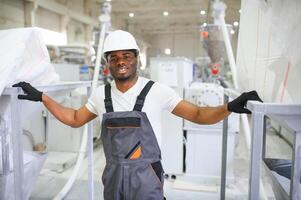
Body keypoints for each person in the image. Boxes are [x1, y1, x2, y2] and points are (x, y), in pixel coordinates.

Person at [13, 30, 262, 200]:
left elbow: (197, 113)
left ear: (137, 60)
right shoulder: (101, 95)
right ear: (107, 64)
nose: (120, 62)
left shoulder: (157, 90)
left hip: (147, 177)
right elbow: (75, 119)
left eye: (126, 56)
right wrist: (42, 97)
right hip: (113, 177)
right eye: (114, 58)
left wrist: (229, 106)